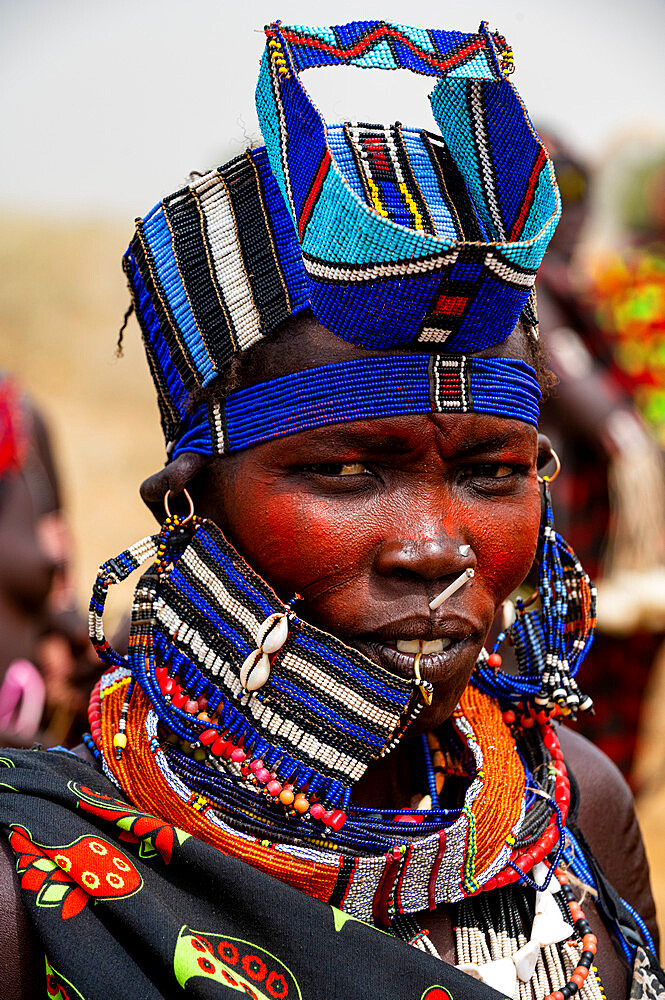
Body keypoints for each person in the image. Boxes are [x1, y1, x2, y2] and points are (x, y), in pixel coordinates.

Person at [0, 19, 662, 1000]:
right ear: (188, 502)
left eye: (489, 472)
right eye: (347, 472)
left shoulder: (574, 809)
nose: (436, 546)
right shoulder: (30, 888)